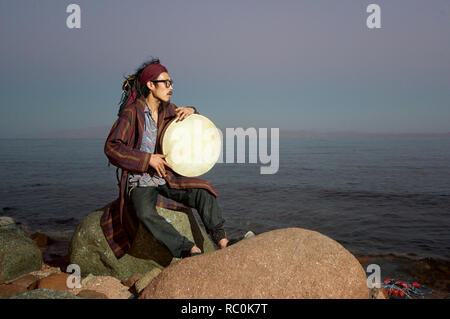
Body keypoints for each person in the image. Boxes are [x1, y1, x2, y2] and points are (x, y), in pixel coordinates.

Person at [102, 58, 229, 259]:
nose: (170, 88)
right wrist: (147, 159)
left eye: (171, 83)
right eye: (165, 83)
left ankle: (223, 242)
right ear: (150, 86)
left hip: (166, 176)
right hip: (140, 179)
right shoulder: (132, 113)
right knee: (144, 213)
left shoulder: (168, 110)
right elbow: (112, 147)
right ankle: (187, 248)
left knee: (204, 192)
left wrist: (192, 111)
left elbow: (192, 125)